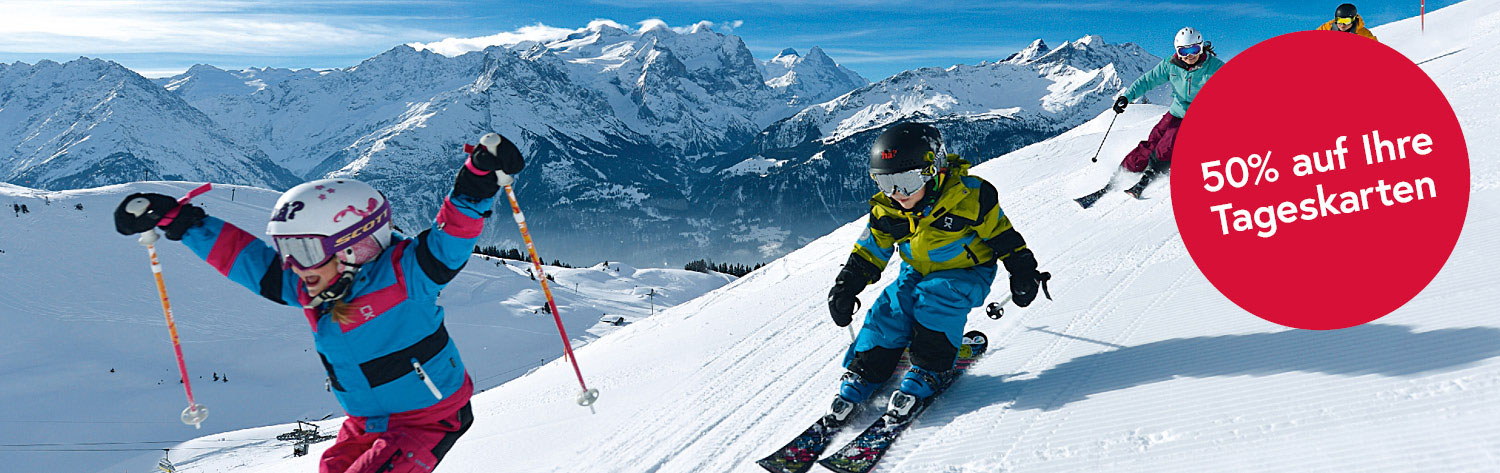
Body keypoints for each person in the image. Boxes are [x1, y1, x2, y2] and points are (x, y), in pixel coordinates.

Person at [113, 132, 525, 473]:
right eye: (287, 251)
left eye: (305, 252)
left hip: (428, 419)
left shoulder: (408, 276)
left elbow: (451, 238)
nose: (293, 266)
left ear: (357, 247)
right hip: (367, 421)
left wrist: (476, 180)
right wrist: (184, 224)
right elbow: (247, 262)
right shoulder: (312, 287)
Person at [825, 122, 1047, 422]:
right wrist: (846, 285)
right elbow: (870, 250)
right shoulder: (889, 210)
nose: (897, 194)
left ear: (934, 170)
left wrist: (1023, 270)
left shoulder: (970, 198)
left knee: (935, 299)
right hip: (916, 268)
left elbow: (1003, 236)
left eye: (905, 181)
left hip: (967, 271)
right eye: (885, 183)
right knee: (891, 307)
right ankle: (867, 369)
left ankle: (929, 369)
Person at [1112, 27, 1226, 197]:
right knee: (1153, 139)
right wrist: (1126, 97)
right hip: (1176, 111)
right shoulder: (1170, 65)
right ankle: (1126, 170)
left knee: (1168, 144)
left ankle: (1154, 171)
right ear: (1177, 51)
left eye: (1194, 49)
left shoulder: (1214, 68)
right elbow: (1148, 80)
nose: (1189, 56)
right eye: (1184, 51)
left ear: (1201, 47)